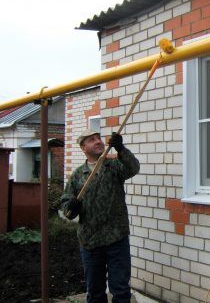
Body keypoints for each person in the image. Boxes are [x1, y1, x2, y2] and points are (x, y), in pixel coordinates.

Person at [61, 129, 140, 303]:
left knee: (120, 290)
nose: (97, 141)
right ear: (83, 147)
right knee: (95, 292)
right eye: (91, 140)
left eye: (98, 138)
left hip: (116, 239)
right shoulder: (77, 176)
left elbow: (133, 168)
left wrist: (121, 149)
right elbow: (66, 210)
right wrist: (71, 207)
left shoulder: (114, 166)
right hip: (90, 242)